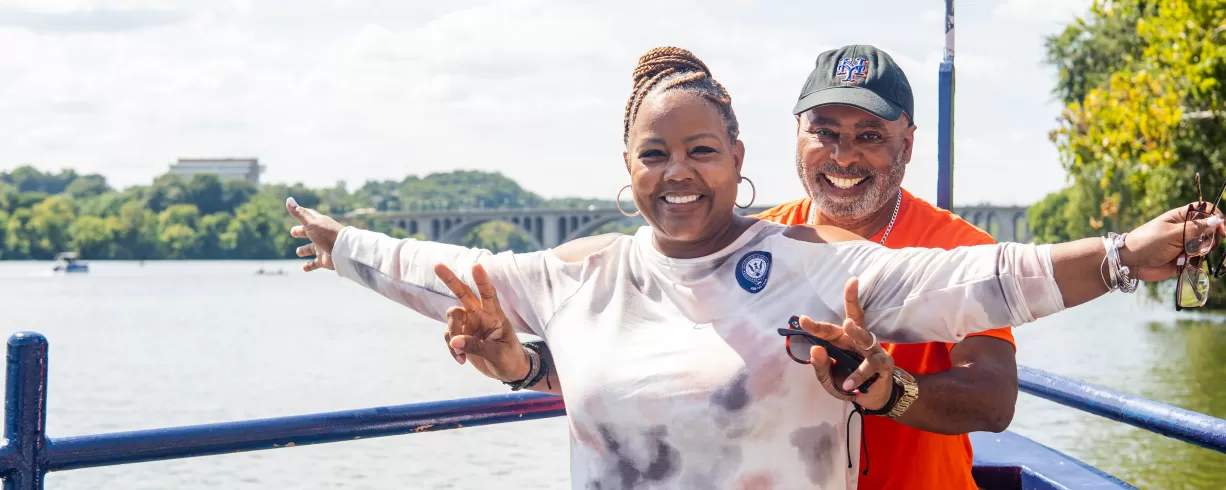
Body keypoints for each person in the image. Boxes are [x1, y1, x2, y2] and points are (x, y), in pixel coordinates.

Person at [286, 47, 1219, 490]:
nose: (678, 175)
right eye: (654, 155)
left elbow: (1000, 282)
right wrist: (348, 250)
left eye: (701, 152)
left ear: (736, 158)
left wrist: (1121, 256)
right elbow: (453, 272)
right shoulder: (591, 271)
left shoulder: (828, 263)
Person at [450, 44, 1020, 490]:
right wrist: (521, 365)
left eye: (869, 136)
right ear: (797, 135)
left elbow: (993, 399)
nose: (843, 155)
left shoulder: (957, 247)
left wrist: (893, 391)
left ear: (908, 144)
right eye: (824, 132)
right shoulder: (753, 243)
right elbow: (637, 356)